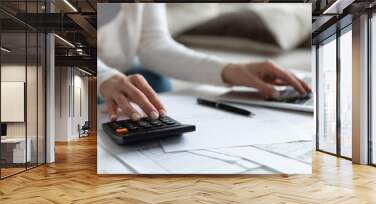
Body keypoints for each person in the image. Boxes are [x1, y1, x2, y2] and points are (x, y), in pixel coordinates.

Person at [98, 3, 311, 121]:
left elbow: (153, 44)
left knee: (155, 83)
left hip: (118, 67)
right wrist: (103, 77)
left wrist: (231, 70)